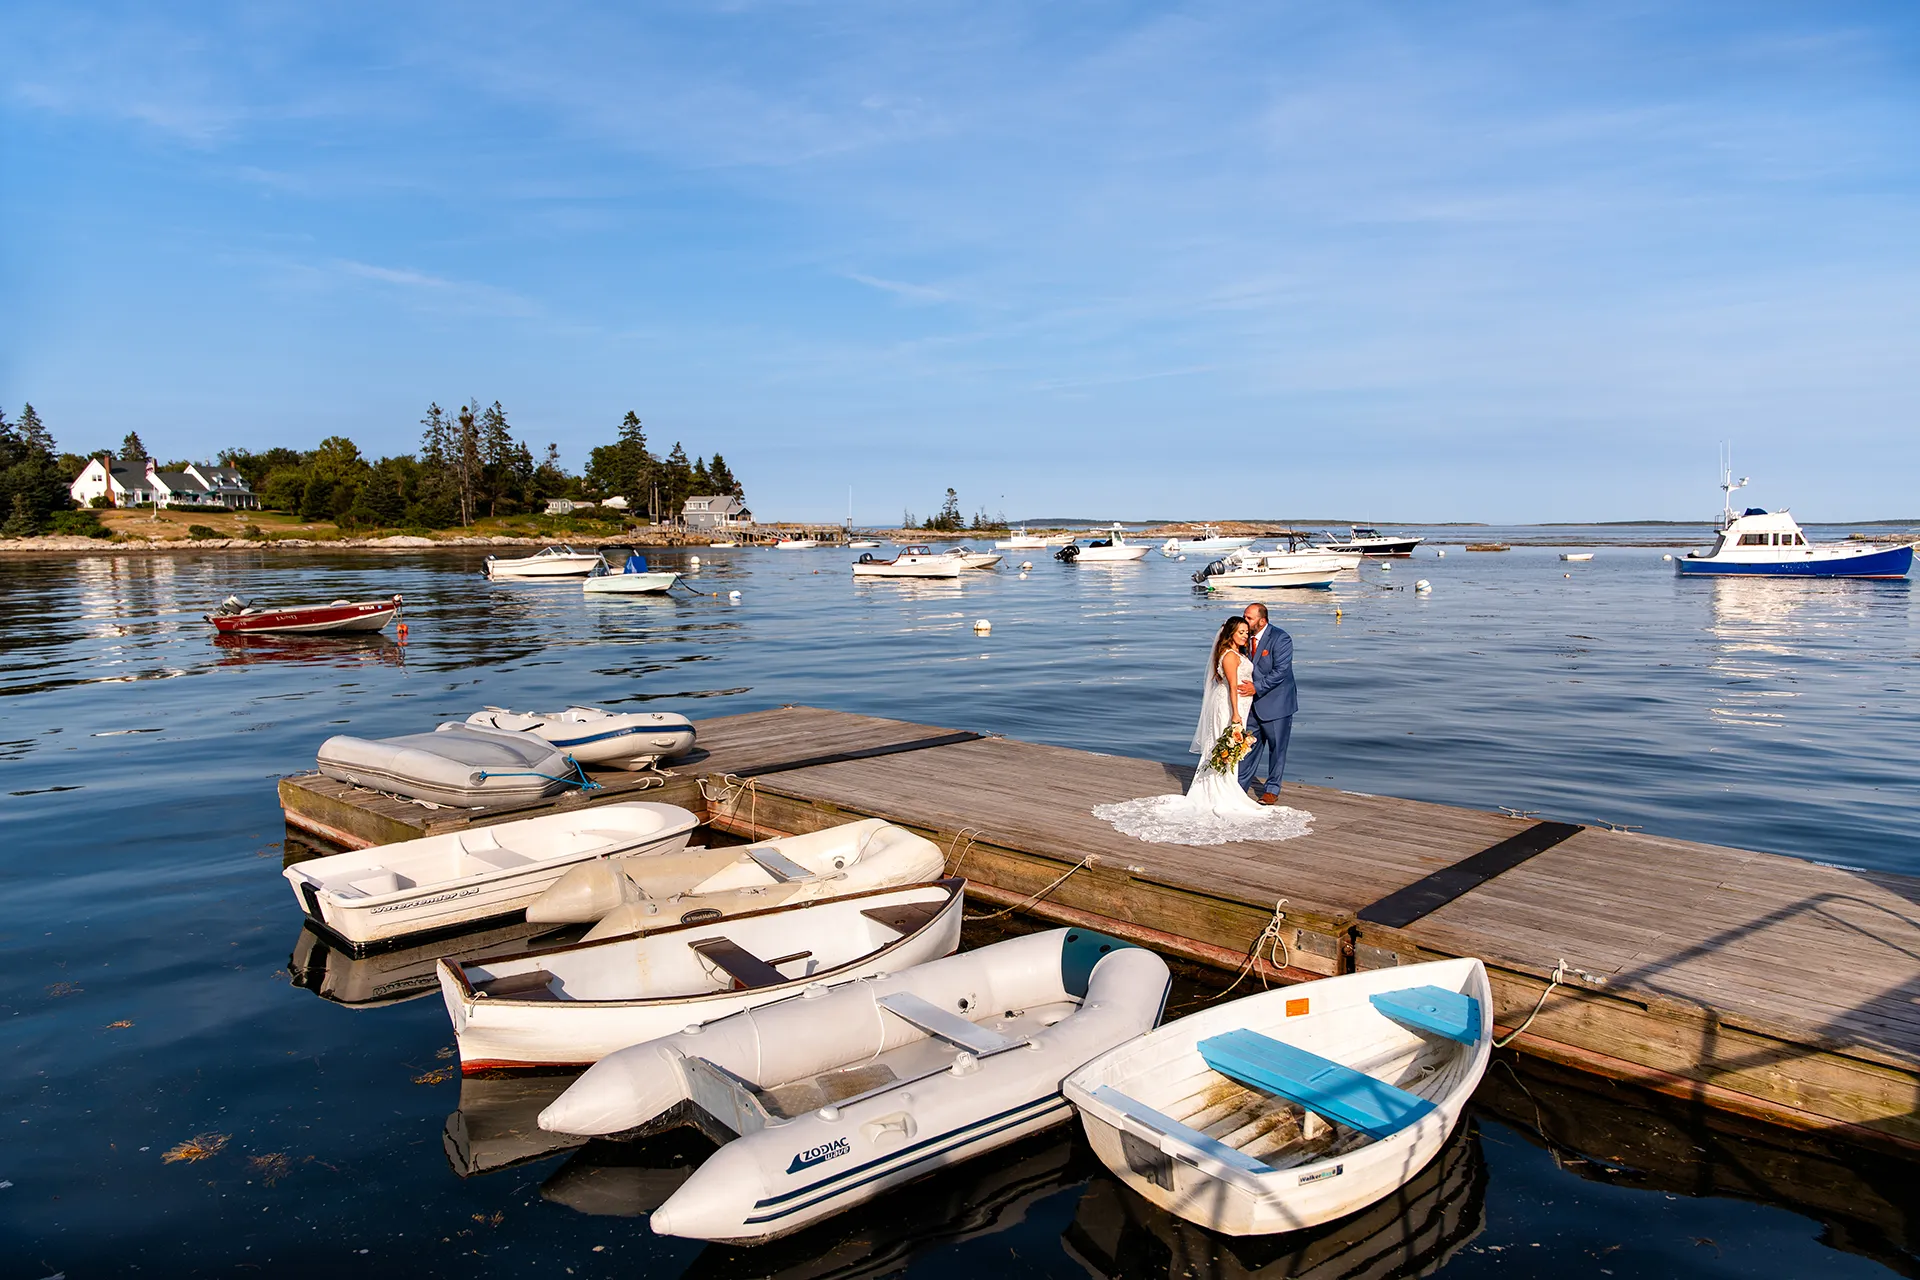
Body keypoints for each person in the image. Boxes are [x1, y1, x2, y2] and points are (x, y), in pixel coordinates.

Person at [1091, 615, 1312, 845]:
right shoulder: (1229, 655)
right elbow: (1233, 688)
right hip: (1230, 707)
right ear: (1230, 634)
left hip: (1248, 706)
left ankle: (1231, 787)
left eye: (1247, 630)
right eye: (1241, 631)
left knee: (1236, 750)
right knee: (1225, 747)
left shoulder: (1251, 648)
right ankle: (1222, 791)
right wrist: (1236, 714)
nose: (1245, 635)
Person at [1236, 602, 1297, 804]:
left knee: (1277, 748)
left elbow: (1281, 671)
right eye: (1244, 616)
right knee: (1247, 748)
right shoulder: (1244, 638)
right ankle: (1238, 788)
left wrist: (1257, 687)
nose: (1245, 621)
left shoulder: (1281, 638)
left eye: (1249, 618)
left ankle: (1271, 790)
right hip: (1251, 706)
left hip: (1277, 704)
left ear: (1262, 620)